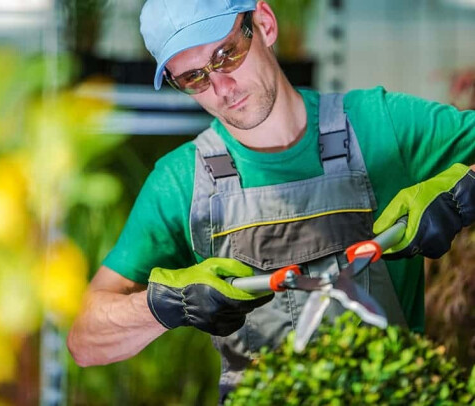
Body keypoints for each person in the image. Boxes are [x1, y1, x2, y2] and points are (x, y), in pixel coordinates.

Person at [67, 0, 475, 402]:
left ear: (264, 24)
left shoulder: (380, 125)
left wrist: (463, 192)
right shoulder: (180, 183)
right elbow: (84, 340)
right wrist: (168, 305)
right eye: (194, 78)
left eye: (226, 54)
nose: (222, 88)